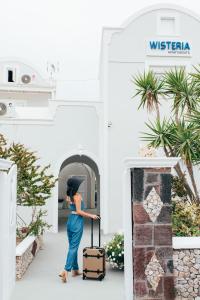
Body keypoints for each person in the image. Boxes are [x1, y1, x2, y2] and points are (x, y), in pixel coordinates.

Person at [59, 176, 100, 283]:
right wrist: (92, 215)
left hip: (70, 221)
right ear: (76, 186)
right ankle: (65, 270)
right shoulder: (77, 196)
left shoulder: (68, 196)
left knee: (73, 246)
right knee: (73, 247)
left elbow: (73, 209)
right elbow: (79, 211)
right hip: (77, 221)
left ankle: (75, 270)